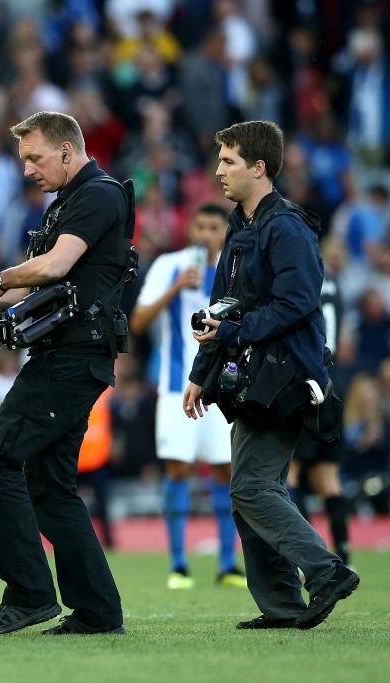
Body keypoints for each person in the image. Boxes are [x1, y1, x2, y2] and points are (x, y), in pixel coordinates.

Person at [0, 111, 129, 636]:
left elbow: (55, 266)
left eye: (34, 157)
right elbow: (37, 285)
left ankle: (29, 594)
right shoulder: (67, 202)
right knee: (49, 486)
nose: (28, 169)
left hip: (72, 357)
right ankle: (97, 612)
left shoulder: (98, 194)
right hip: (68, 355)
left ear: (66, 151)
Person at [184, 120, 359, 631]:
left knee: (251, 488)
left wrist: (234, 330)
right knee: (251, 491)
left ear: (259, 167)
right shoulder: (241, 226)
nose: (218, 170)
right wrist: (201, 372)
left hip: (287, 375)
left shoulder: (286, 227)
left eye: (229, 161)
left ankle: (326, 570)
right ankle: (282, 606)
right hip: (254, 375)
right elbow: (222, 306)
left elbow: (297, 303)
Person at [130, 203, 247, 590]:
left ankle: (227, 564)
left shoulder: (235, 267)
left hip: (224, 386)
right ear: (191, 229)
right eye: (200, 226)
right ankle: (178, 564)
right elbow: (138, 322)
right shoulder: (169, 265)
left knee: (225, 471)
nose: (205, 234)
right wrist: (176, 287)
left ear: (224, 232)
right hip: (175, 385)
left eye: (214, 227)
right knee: (178, 469)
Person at [288, 268, 351, 566]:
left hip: (307, 382)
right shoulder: (334, 283)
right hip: (333, 384)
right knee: (329, 480)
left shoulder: (298, 275)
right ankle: (345, 555)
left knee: (290, 474)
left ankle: (309, 558)